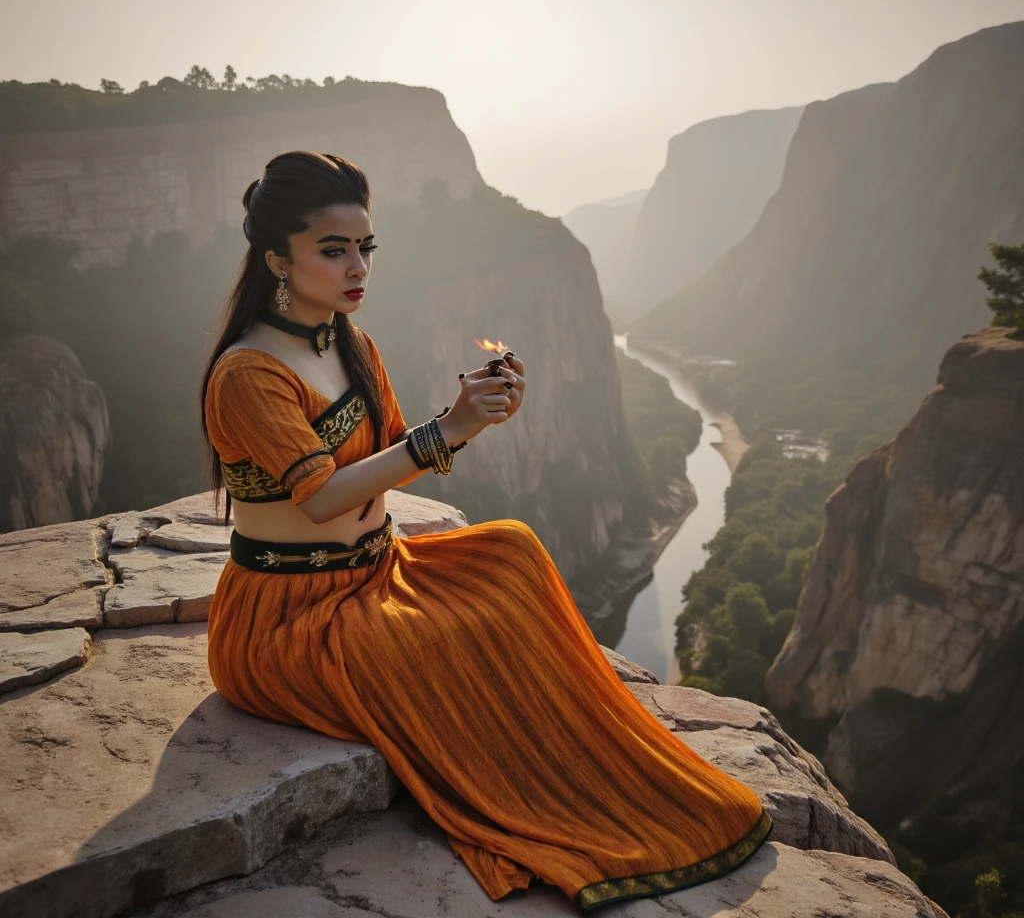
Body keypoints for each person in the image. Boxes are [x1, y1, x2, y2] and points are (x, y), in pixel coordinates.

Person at [199, 150, 772, 912]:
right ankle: (559, 806)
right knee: (439, 650)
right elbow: (323, 499)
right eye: (332, 250)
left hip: (379, 571)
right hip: (288, 619)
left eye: (365, 247)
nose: (356, 266)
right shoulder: (248, 372)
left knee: (511, 551)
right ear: (278, 259)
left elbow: (390, 462)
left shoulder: (350, 345)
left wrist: (471, 417)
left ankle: (585, 767)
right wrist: (449, 428)